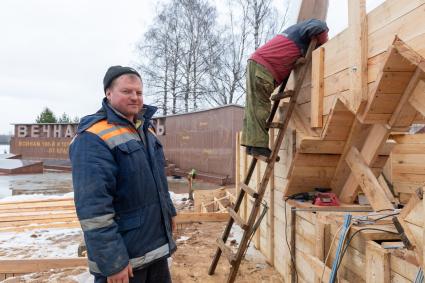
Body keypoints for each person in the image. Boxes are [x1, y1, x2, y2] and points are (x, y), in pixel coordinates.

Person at [70, 66, 177, 283]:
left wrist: (169, 211)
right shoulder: (92, 137)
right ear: (108, 93)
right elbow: (94, 209)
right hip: (125, 263)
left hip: (154, 250)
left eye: (139, 92)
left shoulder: (145, 129)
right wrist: (113, 261)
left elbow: (157, 180)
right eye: (127, 91)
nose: (135, 97)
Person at [242, 19, 329, 158]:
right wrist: (324, 43)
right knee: (260, 106)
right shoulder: (309, 26)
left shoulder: (293, 34)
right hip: (263, 67)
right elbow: (319, 27)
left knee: (253, 107)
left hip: (257, 65)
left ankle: (251, 146)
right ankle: (259, 147)